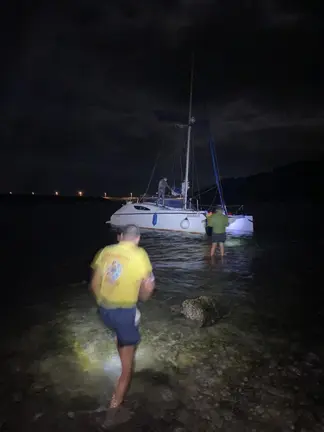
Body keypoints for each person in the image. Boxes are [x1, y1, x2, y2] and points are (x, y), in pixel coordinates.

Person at [90, 224, 155, 414]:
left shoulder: (105, 251)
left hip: (104, 311)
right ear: (137, 239)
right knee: (128, 368)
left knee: (134, 317)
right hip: (124, 313)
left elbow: (94, 284)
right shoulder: (140, 254)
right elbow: (148, 289)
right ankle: (114, 406)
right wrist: (143, 296)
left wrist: (104, 303)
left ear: (120, 237)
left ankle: (119, 335)